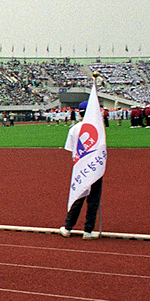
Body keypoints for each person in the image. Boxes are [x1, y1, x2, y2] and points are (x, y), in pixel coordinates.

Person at [59, 101, 103, 240]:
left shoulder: (74, 129)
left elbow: (70, 148)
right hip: (94, 166)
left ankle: (68, 227)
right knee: (93, 200)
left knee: (78, 197)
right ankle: (88, 230)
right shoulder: (98, 128)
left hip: (79, 166)